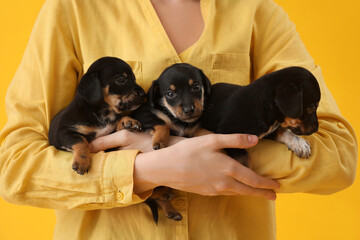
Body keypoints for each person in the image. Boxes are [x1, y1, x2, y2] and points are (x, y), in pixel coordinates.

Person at [0, 0, 357, 239]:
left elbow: (339, 158)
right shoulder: (73, 8)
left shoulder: (256, 10)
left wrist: (210, 158)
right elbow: (15, 167)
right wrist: (142, 169)